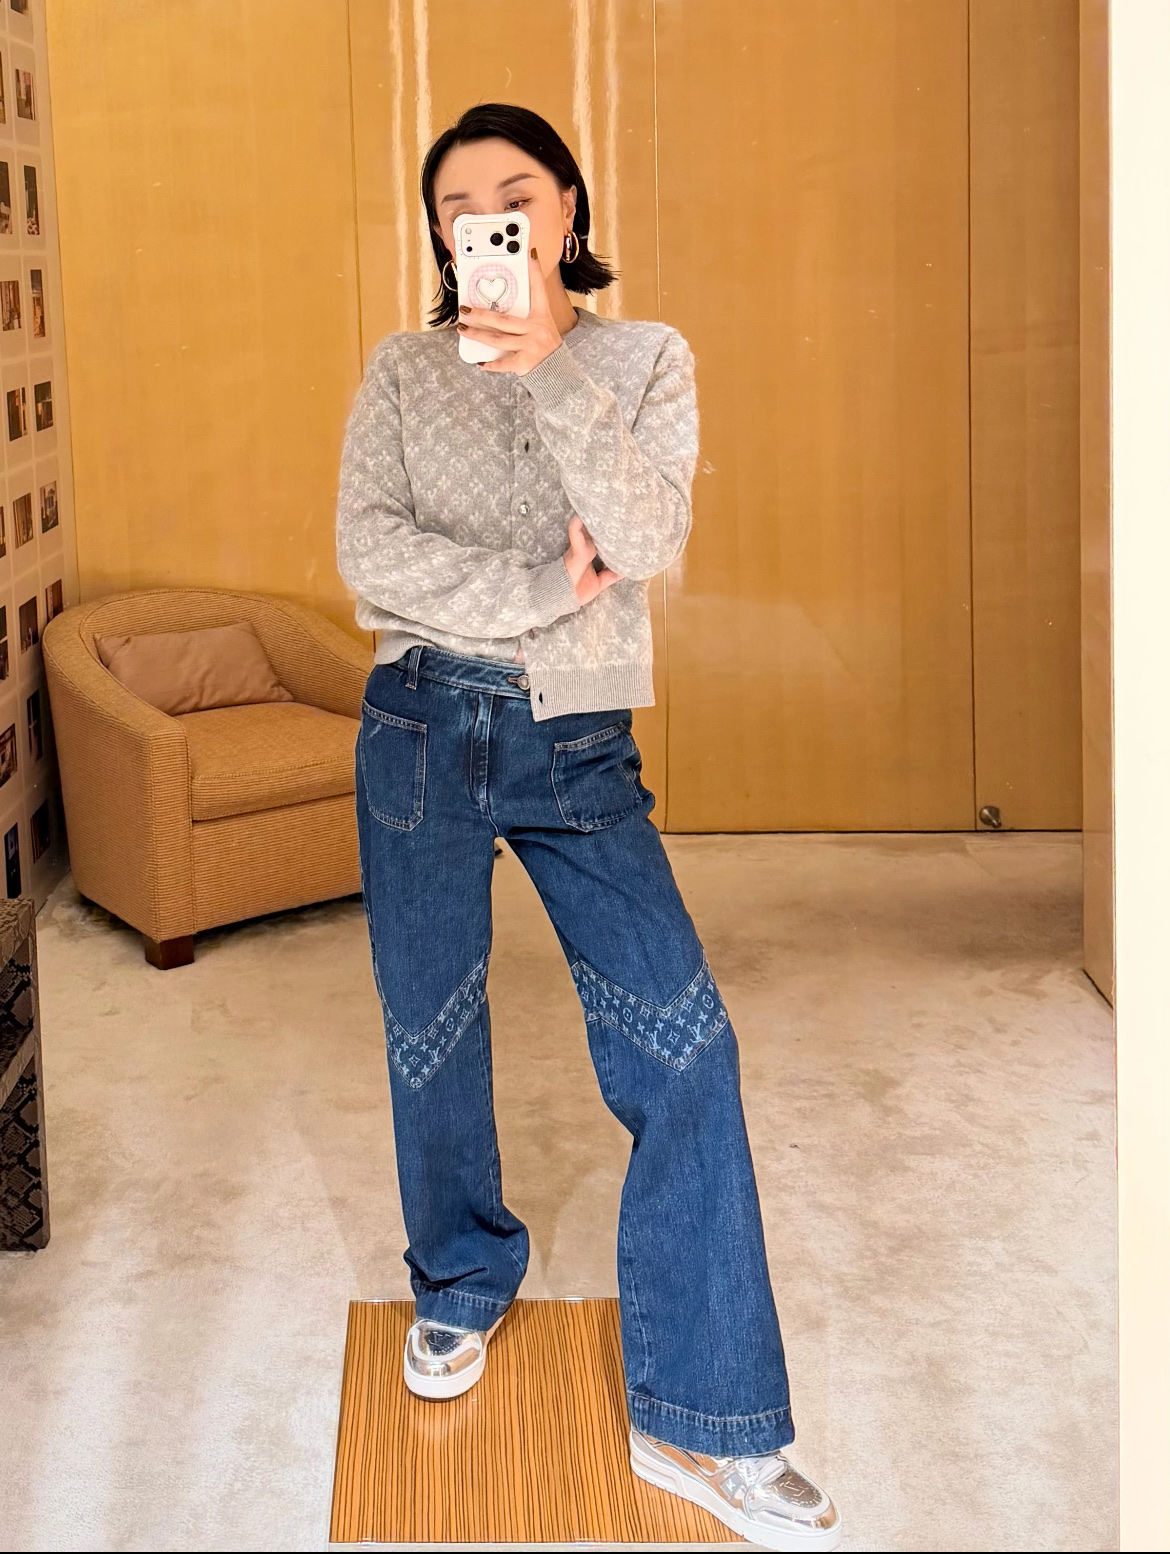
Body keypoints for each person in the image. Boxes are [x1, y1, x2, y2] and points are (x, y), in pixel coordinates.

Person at [336, 103, 840, 1552]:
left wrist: (549, 364)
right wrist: (543, 592)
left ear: (566, 207)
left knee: (685, 1045)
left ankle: (705, 1419)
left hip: (576, 739)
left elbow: (651, 534)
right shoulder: (400, 369)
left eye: (513, 194)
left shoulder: (642, 358)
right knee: (430, 1028)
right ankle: (459, 1278)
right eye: (457, 207)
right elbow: (368, 552)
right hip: (418, 725)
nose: (484, 222)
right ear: (440, 235)